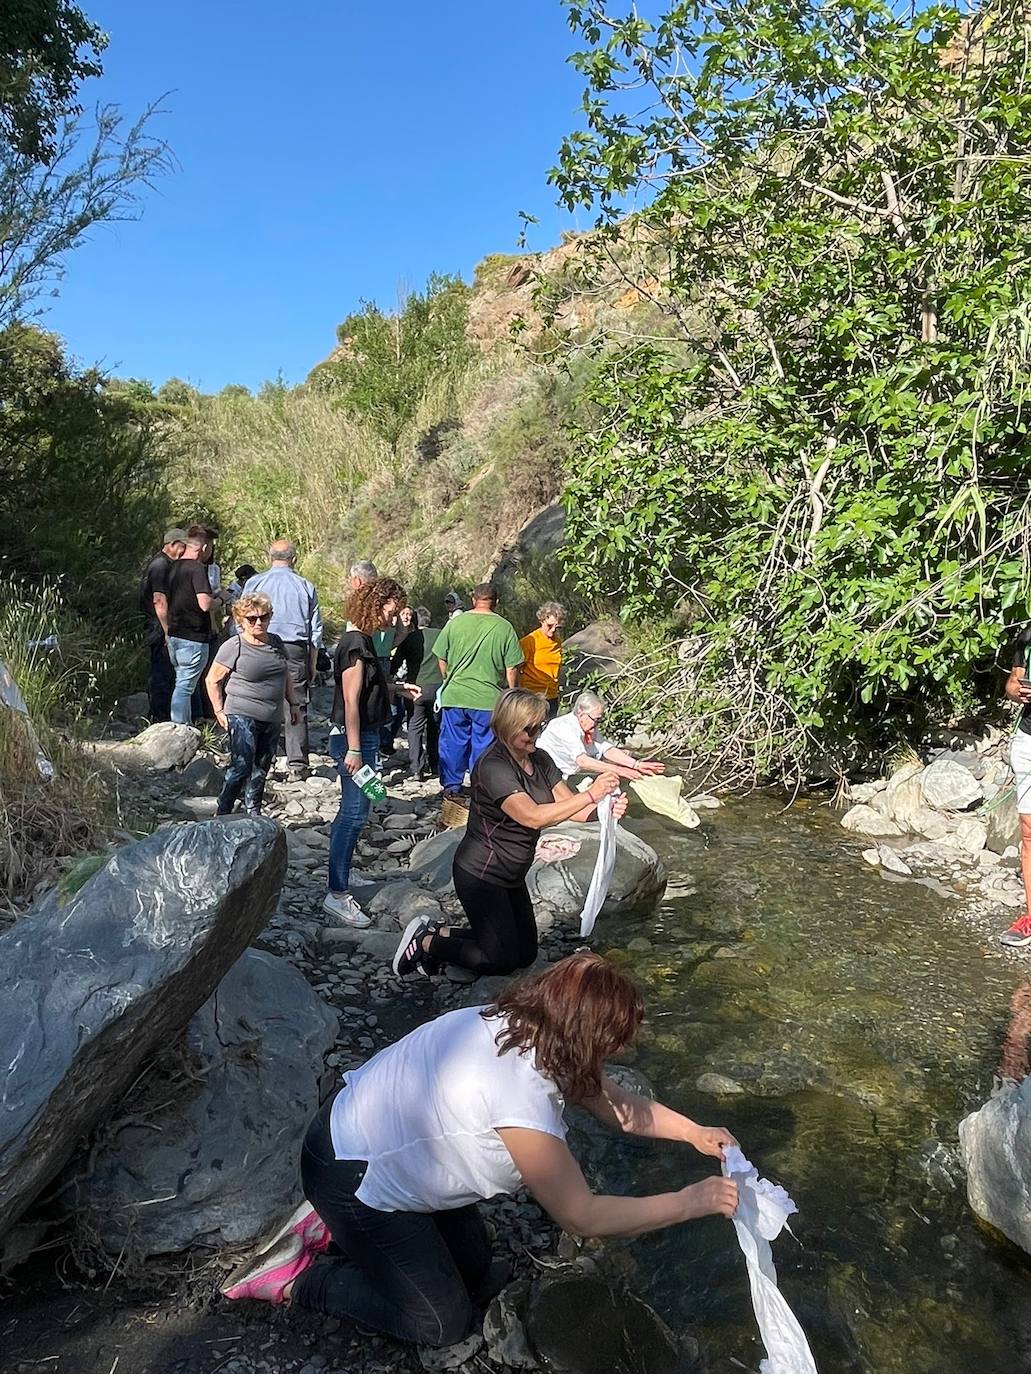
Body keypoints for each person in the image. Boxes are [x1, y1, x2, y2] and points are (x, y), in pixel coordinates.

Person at [220, 951, 740, 1349]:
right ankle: (299, 1278)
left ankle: (336, 1227)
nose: (621, 1052)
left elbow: (617, 1106)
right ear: (584, 1038)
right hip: (349, 1172)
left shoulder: (531, 1026)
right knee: (439, 1322)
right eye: (613, 1044)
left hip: (364, 1140)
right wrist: (691, 1202)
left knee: (475, 1270)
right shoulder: (519, 1094)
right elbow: (582, 1215)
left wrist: (694, 1131)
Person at [391, 688, 626, 980]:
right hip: (482, 873)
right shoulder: (493, 766)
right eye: (529, 729)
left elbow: (570, 809)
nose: (536, 734)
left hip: (512, 874)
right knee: (500, 959)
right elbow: (531, 816)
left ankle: (440, 931)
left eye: (540, 725)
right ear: (509, 725)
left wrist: (605, 809)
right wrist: (591, 794)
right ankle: (426, 942)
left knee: (525, 954)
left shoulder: (540, 759)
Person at [325, 577, 420, 928]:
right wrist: (353, 749)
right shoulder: (355, 644)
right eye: (390, 612)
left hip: (362, 736)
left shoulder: (364, 641)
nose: (392, 619)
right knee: (353, 812)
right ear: (373, 605)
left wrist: (395, 688)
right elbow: (351, 700)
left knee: (354, 811)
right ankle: (336, 893)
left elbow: (368, 688)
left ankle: (343, 874)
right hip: (355, 738)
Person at [205, 592, 300, 816]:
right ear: (240, 620)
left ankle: (253, 811)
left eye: (264, 617)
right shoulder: (234, 645)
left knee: (262, 766)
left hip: (272, 715)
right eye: (252, 619)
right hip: (242, 711)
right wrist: (219, 710)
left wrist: (294, 703)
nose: (259, 622)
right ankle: (224, 809)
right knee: (242, 765)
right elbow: (212, 680)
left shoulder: (275, 642)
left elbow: (284, 673)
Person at [434, 582, 525, 803]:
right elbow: (512, 668)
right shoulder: (504, 628)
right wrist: (512, 694)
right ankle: (479, 787)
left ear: (473, 599)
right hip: (488, 699)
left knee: (453, 741)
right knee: (483, 746)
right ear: (497, 602)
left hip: (455, 695)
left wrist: (449, 679)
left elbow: (440, 655)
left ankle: (451, 787)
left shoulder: (456, 623)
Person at [244, 541, 323, 781]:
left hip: (258, 644)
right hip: (294, 647)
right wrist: (312, 661)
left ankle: (256, 760)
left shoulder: (255, 583)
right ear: (294, 559)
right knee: (295, 704)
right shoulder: (304, 586)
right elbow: (315, 629)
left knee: (257, 699)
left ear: (270, 557)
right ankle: (297, 763)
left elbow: (240, 617)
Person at [537, 690, 666, 783]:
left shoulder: (589, 726)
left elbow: (605, 748)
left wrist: (636, 765)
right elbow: (582, 760)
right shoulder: (564, 727)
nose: (598, 724)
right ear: (582, 715)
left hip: (570, 774)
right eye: (596, 720)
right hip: (547, 776)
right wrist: (620, 770)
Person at [1000, 627, 1031, 946]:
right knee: (1028, 831)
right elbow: (1012, 682)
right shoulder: (1029, 636)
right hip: (1028, 739)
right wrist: (1015, 689)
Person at [165, 531, 216, 725]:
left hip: (175, 633)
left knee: (181, 681)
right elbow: (204, 604)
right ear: (203, 548)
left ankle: (183, 725)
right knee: (185, 686)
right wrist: (219, 600)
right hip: (193, 636)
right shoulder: (196, 569)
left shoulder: (171, 568)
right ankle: (179, 726)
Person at [139, 527, 186, 720]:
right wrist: (168, 631)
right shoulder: (160, 565)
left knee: (166, 670)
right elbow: (159, 600)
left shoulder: (163, 563)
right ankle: (159, 716)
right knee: (162, 670)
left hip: (158, 625)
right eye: (182, 546)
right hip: (157, 626)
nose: (184, 552)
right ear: (173, 544)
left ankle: (161, 713)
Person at [407, 607, 442, 782]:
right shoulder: (441, 634)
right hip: (438, 687)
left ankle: (416, 768)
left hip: (417, 687)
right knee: (435, 726)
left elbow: (396, 662)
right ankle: (435, 763)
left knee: (415, 727)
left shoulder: (411, 637)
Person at [383, 606, 422, 755]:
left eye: (409, 614)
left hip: (409, 679)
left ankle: (387, 741)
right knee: (394, 712)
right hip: (393, 677)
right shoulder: (391, 633)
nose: (406, 617)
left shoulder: (415, 635)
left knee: (400, 713)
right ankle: (385, 743)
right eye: (403, 614)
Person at [518, 601, 566, 718]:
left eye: (557, 627)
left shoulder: (557, 642)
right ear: (542, 620)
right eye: (550, 625)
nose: (553, 630)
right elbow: (516, 669)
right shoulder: (529, 641)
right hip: (532, 696)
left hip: (552, 696)